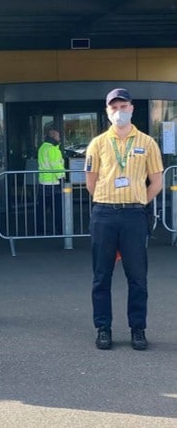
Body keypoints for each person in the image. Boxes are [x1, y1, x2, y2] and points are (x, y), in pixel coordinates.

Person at [85, 88, 163, 351]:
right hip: (104, 214)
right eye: (114, 107)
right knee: (101, 276)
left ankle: (137, 328)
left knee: (138, 276)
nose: (119, 112)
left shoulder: (147, 143)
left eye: (123, 106)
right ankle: (103, 328)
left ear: (132, 108)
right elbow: (91, 182)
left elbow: (157, 180)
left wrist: (139, 199)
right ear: (108, 112)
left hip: (133, 215)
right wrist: (110, 198)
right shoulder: (97, 143)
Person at [37, 128, 65, 235]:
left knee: (41, 209)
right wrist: (62, 179)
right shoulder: (53, 149)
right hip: (54, 183)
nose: (60, 138)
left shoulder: (42, 148)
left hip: (43, 182)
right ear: (53, 137)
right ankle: (61, 229)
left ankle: (39, 229)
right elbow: (56, 166)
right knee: (58, 209)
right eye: (58, 136)